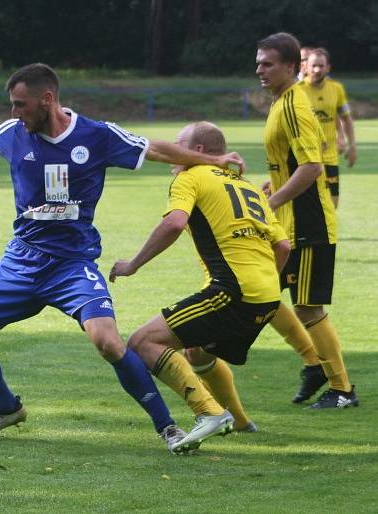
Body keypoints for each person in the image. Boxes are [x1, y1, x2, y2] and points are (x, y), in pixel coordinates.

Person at [0, 63, 246, 452]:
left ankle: (167, 428)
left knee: (109, 342)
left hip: (72, 266)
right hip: (20, 262)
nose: (15, 113)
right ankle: (6, 409)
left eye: (21, 105)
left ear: (47, 99)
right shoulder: (14, 133)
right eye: (12, 106)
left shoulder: (97, 135)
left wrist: (214, 161)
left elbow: (151, 148)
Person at [109, 121, 290, 451]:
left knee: (143, 342)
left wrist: (132, 264)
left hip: (233, 290)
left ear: (198, 152)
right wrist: (263, 286)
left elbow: (175, 223)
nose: (173, 154)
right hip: (267, 297)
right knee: (196, 350)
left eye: (180, 145)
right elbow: (283, 247)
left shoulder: (189, 176)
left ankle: (209, 413)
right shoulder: (247, 186)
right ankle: (240, 420)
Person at [256, 32, 358, 408]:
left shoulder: (294, 106)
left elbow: (313, 166)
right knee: (259, 295)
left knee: (306, 307)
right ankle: (314, 363)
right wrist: (275, 183)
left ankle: (342, 389)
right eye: (258, 62)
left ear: (291, 67)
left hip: (308, 224)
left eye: (267, 63)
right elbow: (295, 162)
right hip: (288, 221)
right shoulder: (281, 102)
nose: (259, 69)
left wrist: (275, 199)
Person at [299, 48, 356, 208]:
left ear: (328, 68)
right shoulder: (297, 90)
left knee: (332, 205)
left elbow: (346, 119)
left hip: (330, 157)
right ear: (306, 67)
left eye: (321, 66)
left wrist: (351, 145)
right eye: (314, 66)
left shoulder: (336, 89)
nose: (317, 70)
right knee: (306, 205)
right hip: (305, 158)